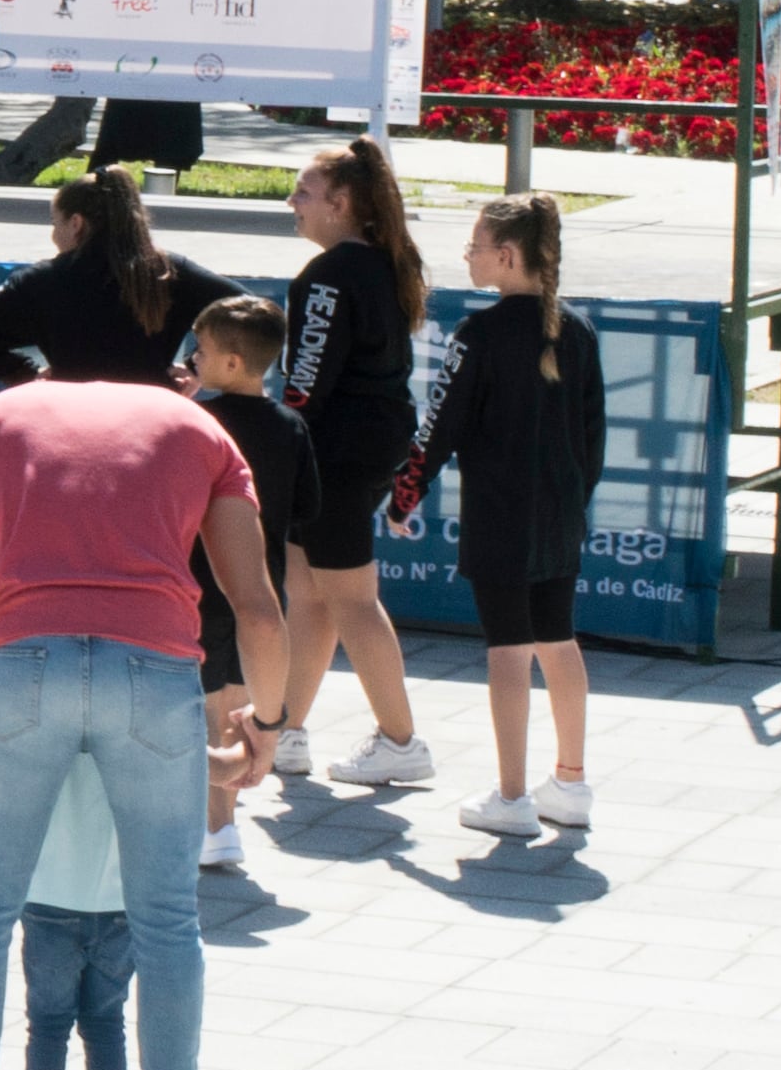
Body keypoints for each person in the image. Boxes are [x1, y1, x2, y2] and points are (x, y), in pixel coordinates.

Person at [0, 362, 290, 1070]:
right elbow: (259, 608)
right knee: (167, 922)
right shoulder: (201, 432)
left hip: (21, 670)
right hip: (158, 677)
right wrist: (267, 726)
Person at [390, 192, 603, 839]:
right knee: (557, 638)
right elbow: (594, 437)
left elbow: (439, 424)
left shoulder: (476, 335)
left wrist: (406, 494)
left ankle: (511, 797)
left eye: (476, 246)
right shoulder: (580, 331)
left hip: (500, 515)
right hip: (561, 514)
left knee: (508, 648)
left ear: (506, 256)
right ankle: (570, 781)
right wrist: (573, 498)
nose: (467, 255)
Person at [264, 138, 434, 787]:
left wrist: (280, 442)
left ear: (341, 203)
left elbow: (306, 381)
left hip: (337, 452)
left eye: (304, 193)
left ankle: (402, 741)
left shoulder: (329, 275)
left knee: (352, 600)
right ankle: (286, 731)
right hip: (362, 444)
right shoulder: (381, 264)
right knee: (307, 595)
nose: (292, 203)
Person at [181, 296, 314, 875]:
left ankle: (217, 825)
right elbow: (307, 511)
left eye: (201, 350)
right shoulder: (290, 425)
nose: (192, 358)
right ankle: (222, 820)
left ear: (232, 363)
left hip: (201, 583)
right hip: (264, 586)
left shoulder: (200, 424)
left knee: (210, 704)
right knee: (237, 701)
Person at [0, 167, 237, 384]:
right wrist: (197, 367)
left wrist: (26, 374)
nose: (54, 235)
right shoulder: (169, 273)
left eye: (55, 224)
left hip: (71, 415)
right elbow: (252, 312)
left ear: (76, 223)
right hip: (152, 417)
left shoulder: (40, 281)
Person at [8, 759, 139, 1070]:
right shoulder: (131, 732)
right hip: (119, 900)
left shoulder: (49, 730)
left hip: (49, 896)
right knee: (106, 1027)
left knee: (47, 1028)